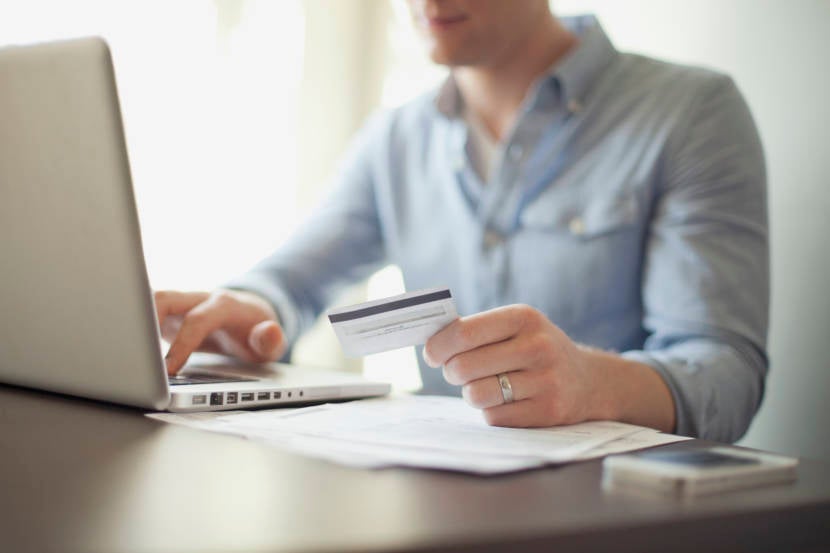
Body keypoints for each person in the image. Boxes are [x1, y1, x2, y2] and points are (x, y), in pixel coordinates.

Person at [155, 0, 768, 442]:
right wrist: (250, 308)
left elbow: (726, 374)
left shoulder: (691, 114)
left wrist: (592, 383)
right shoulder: (395, 139)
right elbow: (288, 284)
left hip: (611, 516)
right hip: (437, 506)